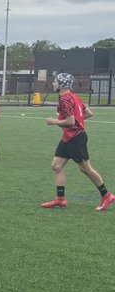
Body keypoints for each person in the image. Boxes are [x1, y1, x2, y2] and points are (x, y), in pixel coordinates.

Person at [41, 72, 115, 211]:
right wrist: (76, 122)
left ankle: (107, 195)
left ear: (62, 83)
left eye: (56, 81)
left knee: (85, 168)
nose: (53, 83)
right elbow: (88, 113)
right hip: (69, 137)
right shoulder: (72, 97)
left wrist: (54, 122)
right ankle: (61, 199)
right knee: (57, 166)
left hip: (76, 138)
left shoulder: (65, 99)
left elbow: (70, 121)